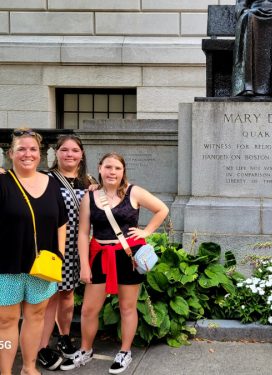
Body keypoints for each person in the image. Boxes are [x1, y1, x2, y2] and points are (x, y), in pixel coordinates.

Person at [60, 152, 168, 374]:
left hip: (128, 255)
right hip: (100, 255)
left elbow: (162, 209)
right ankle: (86, 349)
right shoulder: (90, 197)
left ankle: (125, 351)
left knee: (127, 307)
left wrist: (146, 231)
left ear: (123, 171)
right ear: (99, 169)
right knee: (90, 309)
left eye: (117, 168)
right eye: (108, 167)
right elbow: (82, 233)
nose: (112, 172)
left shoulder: (133, 192)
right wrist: (84, 265)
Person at [0, 128, 67, 375]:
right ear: (11, 153)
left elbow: (62, 221)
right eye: (21, 149)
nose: (27, 154)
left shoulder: (51, 183)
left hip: (42, 266)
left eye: (32, 149)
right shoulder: (2, 181)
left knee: (35, 317)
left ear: (40, 154)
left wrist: (59, 254)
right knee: (5, 322)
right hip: (6, 267)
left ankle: (29, 368)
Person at [36, 135, 97, 370]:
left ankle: (63, 337)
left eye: (74, 150)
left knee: (67, 295)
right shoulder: (45, 179)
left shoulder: (88, 181)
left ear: (81, 155)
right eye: (64, 150)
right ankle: (41, 346)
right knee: (49, 297)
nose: (69, 154)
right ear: (56, 153)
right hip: (53, 246)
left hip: (77, 246)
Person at [232, 0, 272, 96]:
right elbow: (241, 4)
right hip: (253, 13)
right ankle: (246, 86)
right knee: (247, 16)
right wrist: (245, 11)